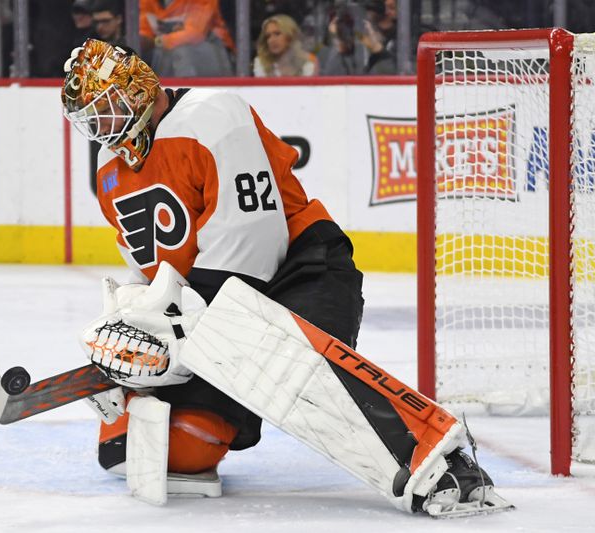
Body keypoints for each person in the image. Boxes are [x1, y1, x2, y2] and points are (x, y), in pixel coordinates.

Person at [61, 39, 508, 515]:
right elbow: (155, 275)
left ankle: (440, 458)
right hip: (208, 308)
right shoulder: (112, 172)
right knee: (161, 449)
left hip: (301, 267)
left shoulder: (212, 113)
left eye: (107, 108)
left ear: (139, 85)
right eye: (91, 117)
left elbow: (253, 242)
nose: (101, 127)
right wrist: (136, 354)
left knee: (294, 366)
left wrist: (173, 331)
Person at [140, 0, 234, 77]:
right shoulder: (148, 2)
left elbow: (195, 34)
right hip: (170, 62)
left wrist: (158, 41)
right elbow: (144, 33)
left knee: (183, 50)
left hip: (214, 59)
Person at [253, 14, 318, 77]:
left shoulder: (307, 63)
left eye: (277, 34)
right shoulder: (261, 63)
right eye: (268, 36)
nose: (271, 40)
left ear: (290, 36)